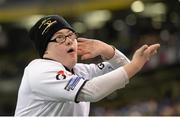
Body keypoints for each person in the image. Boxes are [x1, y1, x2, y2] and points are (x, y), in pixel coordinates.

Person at [14, 15, 160, 116]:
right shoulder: (39, 70)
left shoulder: (79, 70)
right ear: (45, 48)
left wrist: (107, 50)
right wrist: (135, 65)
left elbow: (123, 67)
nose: (70, 41)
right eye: (59, 37)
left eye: (71, 35)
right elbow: (91, 91)